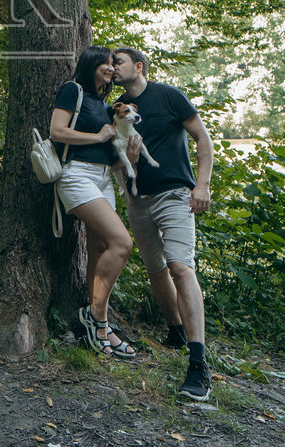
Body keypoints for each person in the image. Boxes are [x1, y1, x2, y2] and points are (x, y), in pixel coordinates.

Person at [112, 47, 215, 400]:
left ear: (138, 66)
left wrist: (201, 185)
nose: (113, 67)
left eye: (118, 61)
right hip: (137, 200)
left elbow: (203, 138)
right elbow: (114, 157)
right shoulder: (117, 110)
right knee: (156, 270)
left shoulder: (169, 96)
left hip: (174, 195)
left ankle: (198, 363)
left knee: (181, 268)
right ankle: (175, 330)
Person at [49, 45, 136, 359]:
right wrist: (97, 137)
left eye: (113, 63)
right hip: (77, 176)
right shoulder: (74, 91)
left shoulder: (105, 103)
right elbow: (57, 131)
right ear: (91, 64)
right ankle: (96, 317)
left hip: (103, 177)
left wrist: (123, 157)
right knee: (122, 243)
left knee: (99, 250)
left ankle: (100, 324)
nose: (112, 68)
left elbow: (110, 147)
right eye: (106, 63)